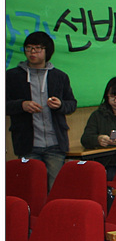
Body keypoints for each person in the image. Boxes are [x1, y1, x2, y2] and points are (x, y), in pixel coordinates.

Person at [7, 31, 76, 187]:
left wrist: (60, 105)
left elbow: (71, 104)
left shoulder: (59, 76)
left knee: (55, 187)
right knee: (32, 188)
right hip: (28, 144)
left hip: (55, 144)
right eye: (29, 48)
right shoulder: (12, 76)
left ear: (47, 51)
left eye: (37, 48)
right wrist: (21, 105)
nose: (32, 52)